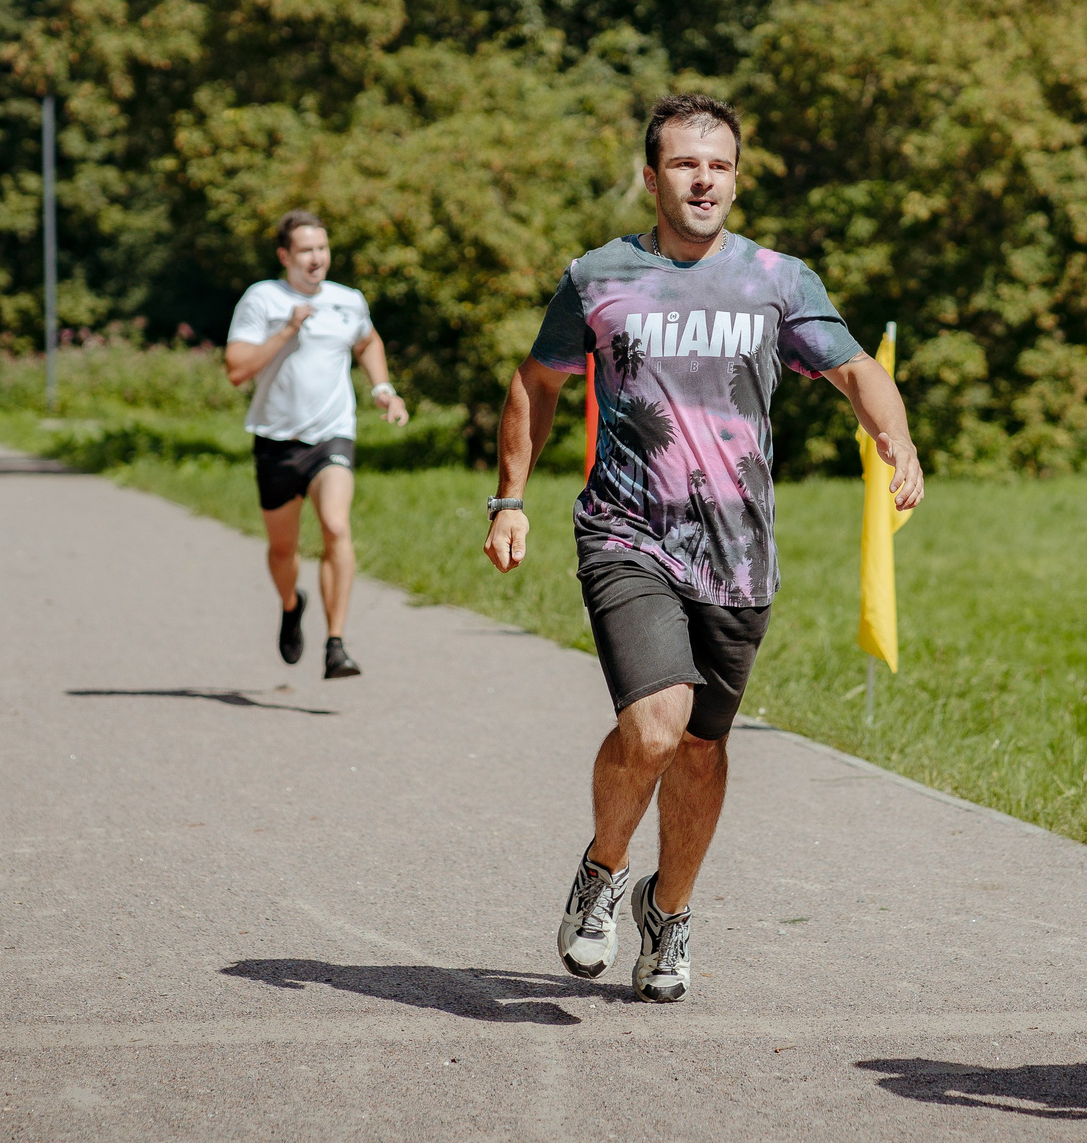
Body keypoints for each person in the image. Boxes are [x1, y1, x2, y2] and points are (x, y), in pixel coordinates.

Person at [483, 94, 923, 1004]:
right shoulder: (599, 276)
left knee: (701, 749)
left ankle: (668, 910)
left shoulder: (776, 278)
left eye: (718, 164)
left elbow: (853, 368)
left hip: (738, 554)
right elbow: (537, 381)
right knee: (656, 725)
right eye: (685, 164)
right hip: (627, 530)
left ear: (736, 175)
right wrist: (510, 497)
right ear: (652, 177)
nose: (703, 179)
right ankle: (603, 871)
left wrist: (897, 437)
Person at [225, 209, 410, 680]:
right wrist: (287, 329)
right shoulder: (262, 299)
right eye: (306, 250)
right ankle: (291, 604)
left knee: (335, 525)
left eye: (322, 249)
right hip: (275, 441)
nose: (316, 258)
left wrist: (382, 389)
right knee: (283, 550)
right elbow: (236, 369)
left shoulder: (348, 300)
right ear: (285, 255)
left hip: (332, 433)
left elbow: (368, 342)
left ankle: (336, 644)